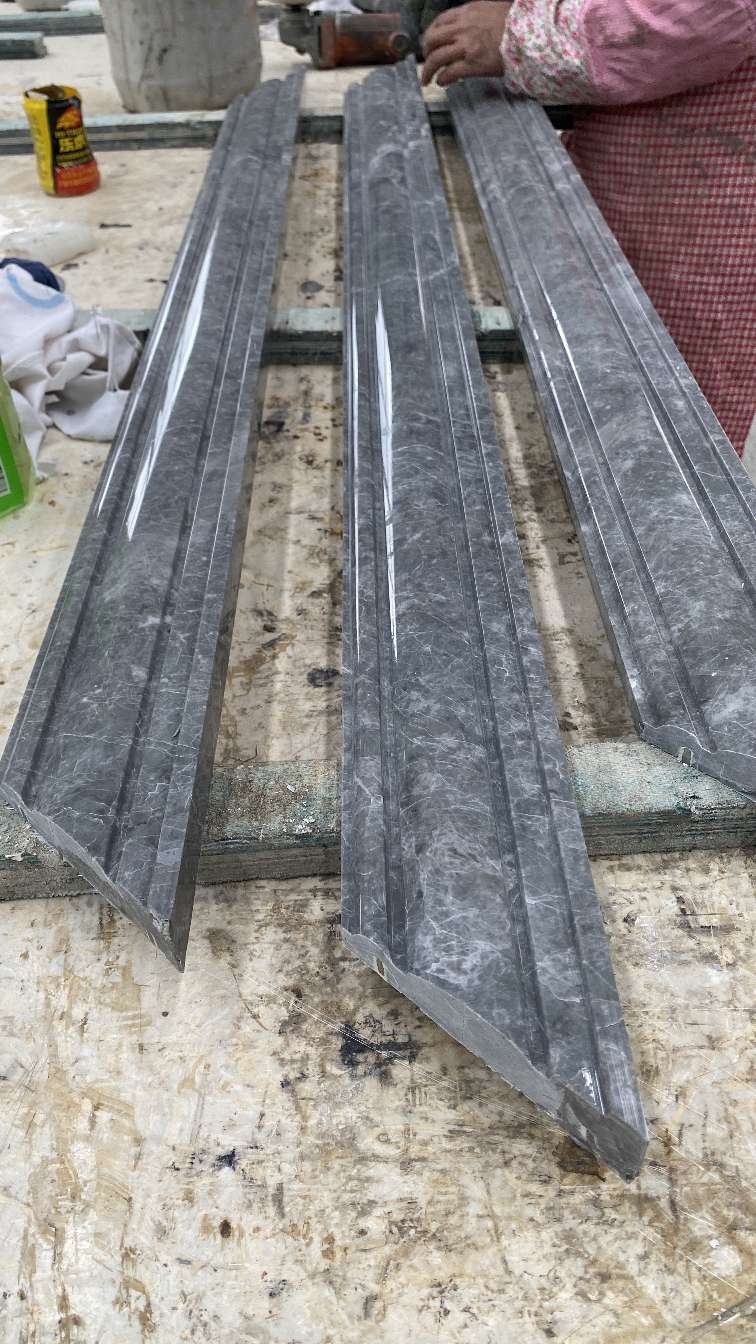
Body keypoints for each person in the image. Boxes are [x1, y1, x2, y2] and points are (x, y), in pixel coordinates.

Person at [421, 0, 756, 455]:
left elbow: (686, 20)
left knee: (676, 422)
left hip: (700, 226)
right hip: (631, 184)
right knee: (600, 378)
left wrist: (520, 34)